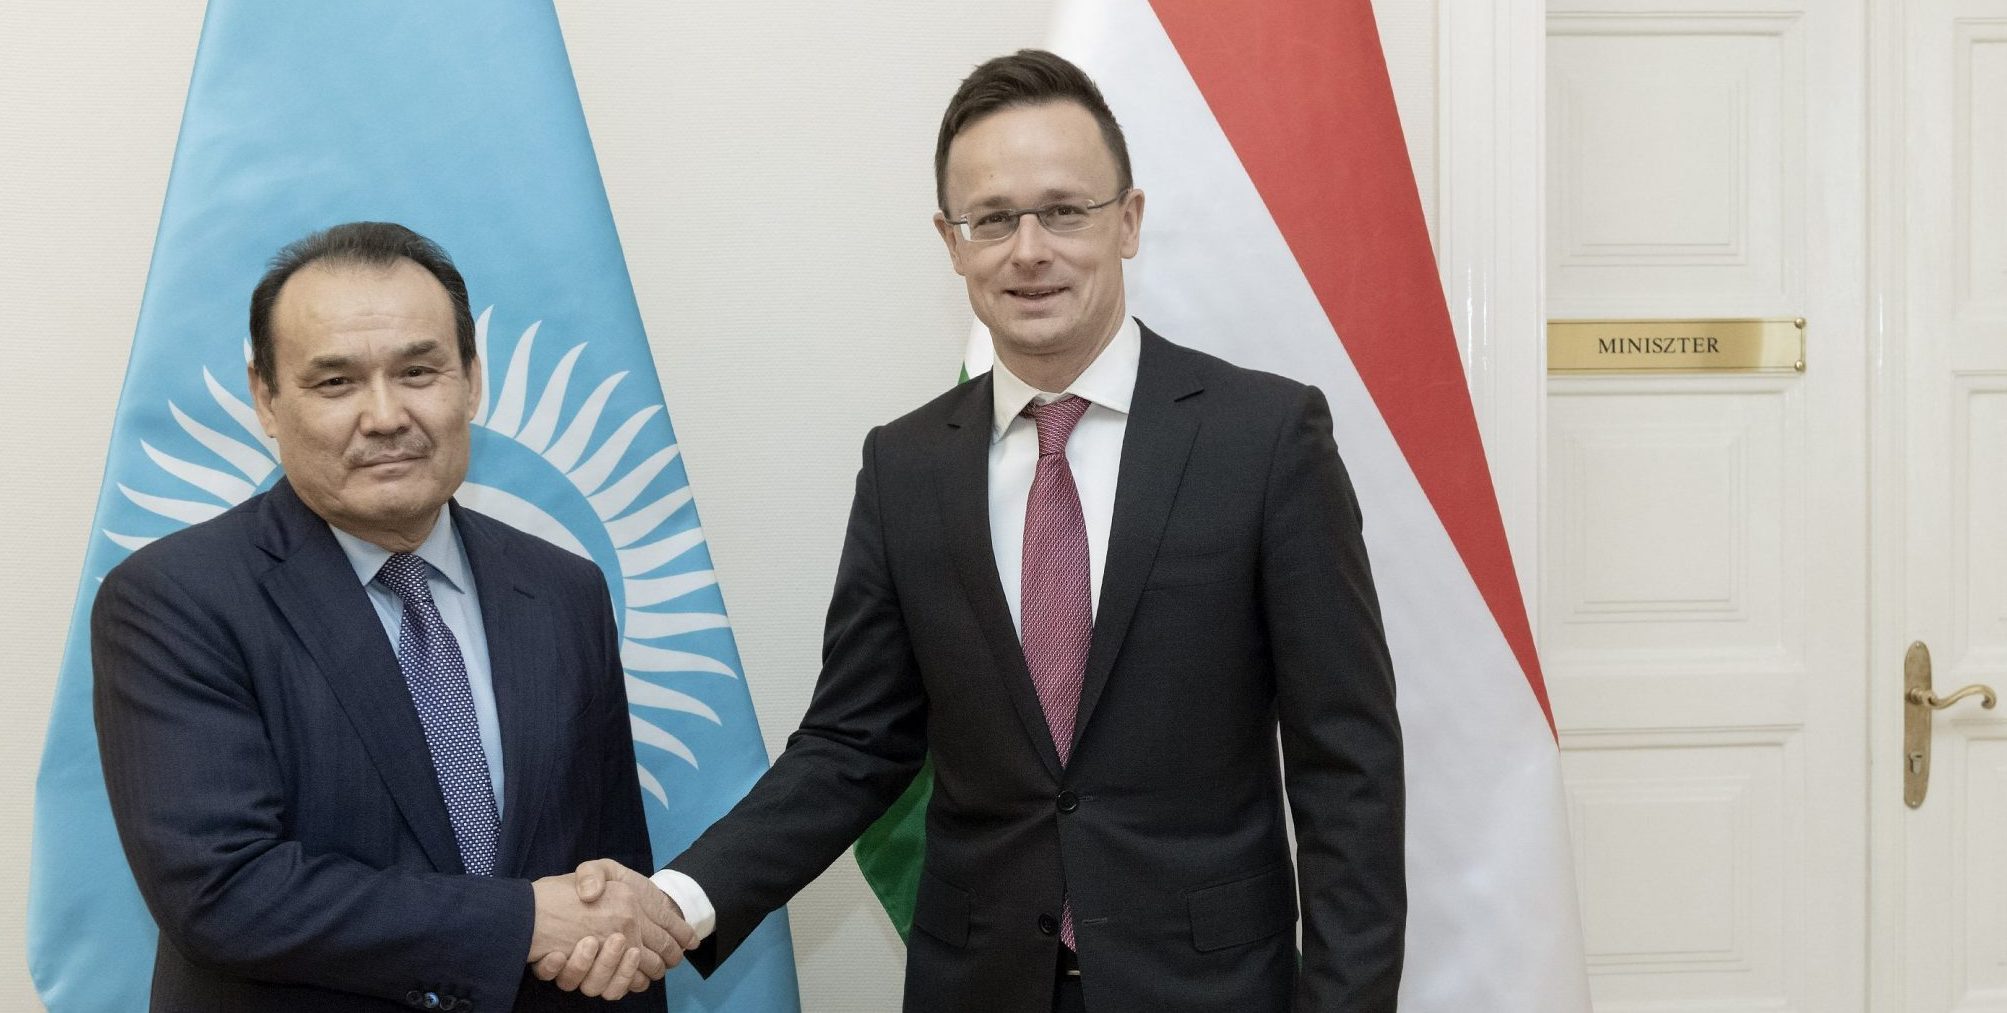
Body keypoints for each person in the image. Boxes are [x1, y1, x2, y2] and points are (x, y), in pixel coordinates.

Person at [596, 48, 1406, 1011]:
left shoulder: (1265, 438)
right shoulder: (904, 465)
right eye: (992, 219)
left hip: (1210, 988)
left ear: (1128, 221)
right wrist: (680, 899)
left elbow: (1346, 768)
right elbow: (853, 743)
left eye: (1064, 211)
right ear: (951, 242)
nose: (1028, 250)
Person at [92, 222, 694, 1012]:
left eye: (417, 371)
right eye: (335, 382)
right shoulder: (173, 599)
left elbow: (608, 882)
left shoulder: (564, 589)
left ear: (470, 380)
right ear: (266, 398)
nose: (384, 415)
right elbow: (224, 891)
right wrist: (519, 921)